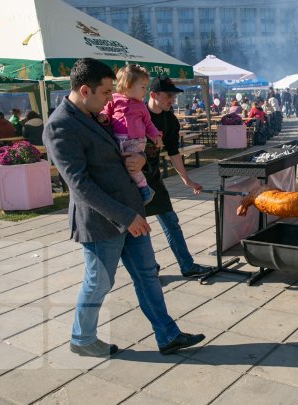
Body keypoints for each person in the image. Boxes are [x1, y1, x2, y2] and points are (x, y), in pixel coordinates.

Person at [43, 58, 205, 357]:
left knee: (147, 275)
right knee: (99, 283)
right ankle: (82, 338)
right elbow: (80, 185)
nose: (111, 97)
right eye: (106, 92)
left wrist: (142, 159)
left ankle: (167, 334)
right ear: (84, 90)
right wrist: (125, 216)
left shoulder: (96, 113)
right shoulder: (60, 126)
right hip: (103, 221)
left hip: (132, 211)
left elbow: (128, 147)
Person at [144, 76, 213, 277]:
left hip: (153, 178)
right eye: (168, 96)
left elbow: (174, 152)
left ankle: (187, 266)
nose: (172, 100)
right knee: (141, 228)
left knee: (170, 221)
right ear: (153, 95)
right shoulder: (136, 114)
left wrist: (186, 179)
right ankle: (148, 268)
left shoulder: (170, 120)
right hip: (131, 181)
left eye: (173, 96)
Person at [102, 64, 163, 204]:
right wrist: (103, 117)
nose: (145, 91)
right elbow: (106, 113)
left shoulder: (141, 105)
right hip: (118, 140)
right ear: (128, 85)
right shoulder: (113, 99)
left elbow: (148, 124)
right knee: (122, 165)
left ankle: (144, 188)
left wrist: (155, 136)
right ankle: (137, 188)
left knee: (132, 166)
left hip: (136, 141)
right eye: (142, 87)